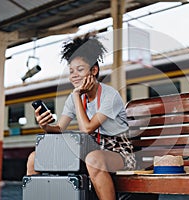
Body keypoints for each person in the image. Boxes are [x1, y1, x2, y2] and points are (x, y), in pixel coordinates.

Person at [26, 32, 136, 200]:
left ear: (94, 70)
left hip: (119, 153)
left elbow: (87, 129)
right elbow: (59, 129)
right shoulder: (74, 97)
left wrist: (77, 95)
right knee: (35, 158)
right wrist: (46, 126)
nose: (74, 75)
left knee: (93, 159)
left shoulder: (109, 95)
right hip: (88, 152)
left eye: (80, 70)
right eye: (71, 71)